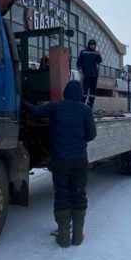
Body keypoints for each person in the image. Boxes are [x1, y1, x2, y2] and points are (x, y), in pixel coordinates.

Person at [22, 80, 97, 248]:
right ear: (81, 94)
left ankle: (63, 236)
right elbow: (92, 135)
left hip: (60, 160)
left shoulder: (55, 107)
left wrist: (20, 100)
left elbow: (35, 112)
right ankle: (78, 235)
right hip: (78, 159)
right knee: (79, 193)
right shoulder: (85, 110)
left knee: (61, 194)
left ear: (65, 92)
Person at [76, 39, 102, 109]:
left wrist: (98, 55)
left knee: (93, 92)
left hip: (94, 75)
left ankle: (90, 107)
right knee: (84, 91)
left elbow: (99, 61)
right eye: (91, 45)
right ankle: (81, 106)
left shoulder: (95, 53)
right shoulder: (83, 52)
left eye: (94, 45)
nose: (93, 46)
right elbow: (79, 62)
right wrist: (80, 70)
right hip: (86, 75)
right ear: (89, 44)